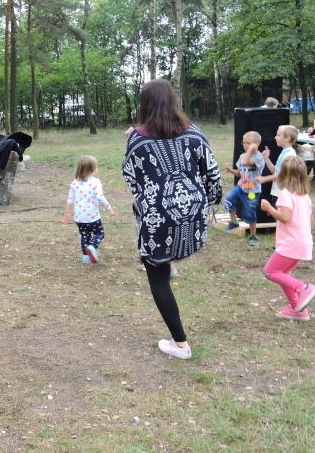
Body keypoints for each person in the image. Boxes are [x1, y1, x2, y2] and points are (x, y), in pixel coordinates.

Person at [122, 79, 222, 360]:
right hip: (193, 212)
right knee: (163, 263)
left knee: (157, 276)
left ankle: (181, 345)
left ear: (144, 104)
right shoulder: (195, 133)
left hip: (158, 216)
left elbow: (131, 178)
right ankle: (169, 262)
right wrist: (207, 203)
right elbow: (213, 174)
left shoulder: (137, 138)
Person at [260, 156, 315, 320]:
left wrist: (269, 208)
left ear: (284, 176)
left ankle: (303, 288)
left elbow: (285, 217)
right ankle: (298, 309)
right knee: (283, 273)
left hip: (291, 243)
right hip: (302, 242)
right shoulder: (304, 196)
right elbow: (310, 220)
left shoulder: (286, 194)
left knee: (270, 271)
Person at [62, 155, 115, 265]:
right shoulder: (95, 182)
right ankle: (92, 247)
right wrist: (109, 208)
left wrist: (67, 214)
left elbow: (70, 200)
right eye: (96, 167)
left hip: (79, 218)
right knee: (99, 233)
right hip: (93, 217)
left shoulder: (74, 183)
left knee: (85, 236)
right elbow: (100, 197)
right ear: (92, 170)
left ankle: (86, 258)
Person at [222, 131, 265, 246]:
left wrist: (250, 150)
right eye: (244, 142)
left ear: (257, 144)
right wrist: (230, 169)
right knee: (228, 199)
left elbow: (246, 162)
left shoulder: (259, 157)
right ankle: (234, 222)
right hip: (241, 187)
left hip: (252, 191)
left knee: (250, 213)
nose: (245, 145)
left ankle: (253, 236)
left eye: (248, 143)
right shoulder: (242, 156)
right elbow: (238, 173)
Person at [257, 125, 298, 197]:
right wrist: (266, 159)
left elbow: (282, 175)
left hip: (283, 194)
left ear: (287, 138)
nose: (275, 137)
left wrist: (265, 179)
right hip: (277, 192)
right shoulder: (284, 152)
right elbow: (276, 171)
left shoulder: (289, 155)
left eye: (278, 135)